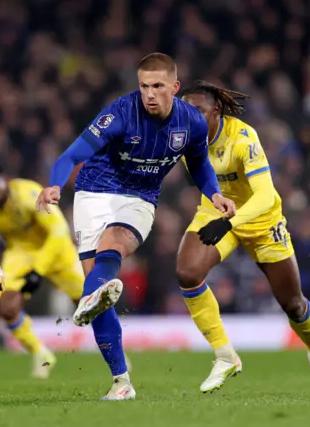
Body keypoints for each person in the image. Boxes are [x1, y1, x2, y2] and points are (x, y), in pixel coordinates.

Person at [36, 53, 236, 400]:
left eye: (158, 86)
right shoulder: (120, 114)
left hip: (140, 198)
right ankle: (121, 381)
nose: (150, 94)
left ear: (174, 87)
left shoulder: (192, 122)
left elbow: (200, 165)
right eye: (144, 86)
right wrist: (55, 184)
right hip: (94, 193)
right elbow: (70, 156)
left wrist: (215, 195)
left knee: (114, 245)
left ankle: (94, 292)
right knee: (97, 293)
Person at [178, 80, 310, 394]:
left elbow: (265, 196)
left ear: (216, 111)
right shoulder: (183, 139)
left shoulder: (243, 137)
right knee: (187, 272)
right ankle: (225, 355)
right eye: (185, 112)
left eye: (197, 111)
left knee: (292, 303)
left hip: (260, 219)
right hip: (216, 211)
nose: (189, 118)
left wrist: (230, 222)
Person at [0, 162, 84, 379]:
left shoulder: (29, 194)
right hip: (19, 253)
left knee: (88, 304)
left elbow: (59, 231)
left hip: (57, 250)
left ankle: (118, 353)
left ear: (6, 182)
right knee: (7, 308)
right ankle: (41, 354)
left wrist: (38, 270)